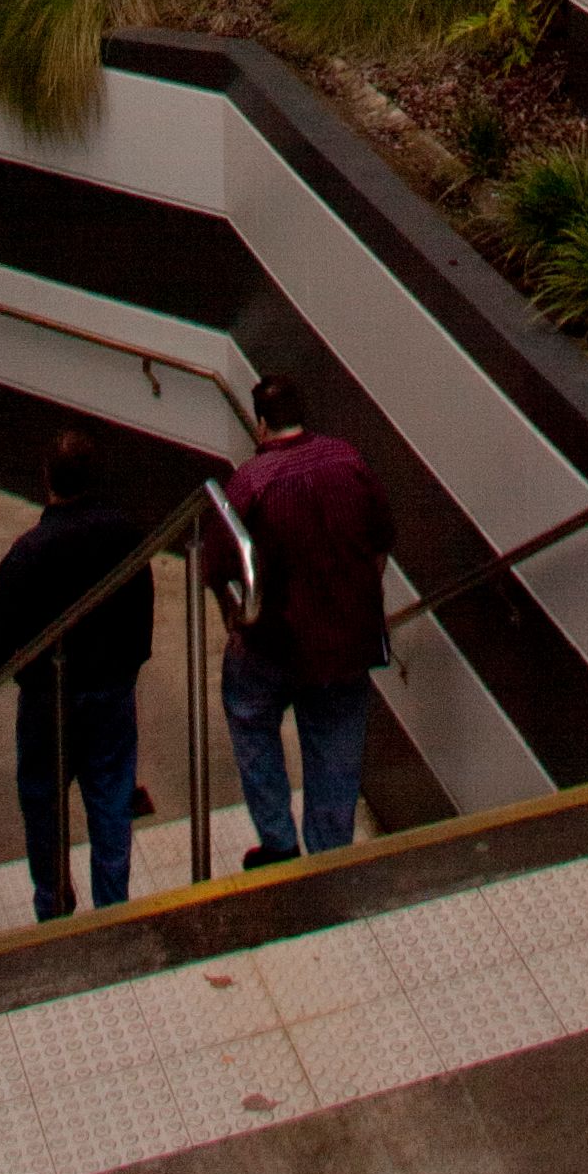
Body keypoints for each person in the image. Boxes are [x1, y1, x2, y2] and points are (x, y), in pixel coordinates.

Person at [0, 424, 155, 923]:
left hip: (49, 697)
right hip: (110, 689)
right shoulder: (125, 536)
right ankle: (112, 904)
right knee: (110, 794)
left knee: (43, 799)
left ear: (47, 478)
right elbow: (142, 613)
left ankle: (52, 903)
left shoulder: (30, 552)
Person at [206, 368, 392, 867]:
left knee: (249, 717)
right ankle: (330, 856)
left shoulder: (250, 481)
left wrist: (237, 624)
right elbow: (380, 543)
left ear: (262, 425)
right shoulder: (349, 460)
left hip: (276, 642)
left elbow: (222, 568)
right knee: (336, 745)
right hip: (348, 641)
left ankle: (278, 841)